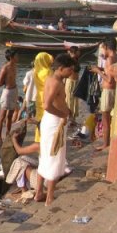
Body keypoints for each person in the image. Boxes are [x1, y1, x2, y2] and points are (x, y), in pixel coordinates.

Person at [36, 53, 75, 205]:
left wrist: (67, 111)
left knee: (45, 156)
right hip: (53, 123)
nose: (71, 72)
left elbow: (59, 101)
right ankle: (49, 197)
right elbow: (47, 105)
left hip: (51, 121)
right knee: (54, 157)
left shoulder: (53, 79)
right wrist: (63, 115)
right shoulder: (56, 82)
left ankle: (39, 193)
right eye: (69, 69)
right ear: (60, 68)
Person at [91, 38, 117, 151]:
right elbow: (111, 71)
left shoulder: (109, 59)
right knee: (111, 118)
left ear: (107, 47)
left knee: (105, 119)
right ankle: (109, 141)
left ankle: (105, 144)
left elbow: (109, 79)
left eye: (103, 48)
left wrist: (98, 72)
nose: (102, 51)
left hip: (108, 91)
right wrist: (101, 69)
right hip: (115, 90)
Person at [0, 49, 19, 143]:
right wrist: (6, 82)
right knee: (2, 116)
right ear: (11, 57)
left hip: (14, 90)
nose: (18, 57)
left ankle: (8, 134)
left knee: (10, 115)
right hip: (7, 92)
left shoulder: (15, 66)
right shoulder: (5, 68)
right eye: (16, 56)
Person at [33, 52, 54, 142]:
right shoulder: (48, 72)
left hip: (39, 96)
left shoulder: (36, 70)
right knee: (47, 119)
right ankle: (46, 139)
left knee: (39, 118)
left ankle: (38, 138)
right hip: (47, 96)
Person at [65, 46, 81, 126]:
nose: (79, 53)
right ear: (74, 52)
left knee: (75, 101)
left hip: (76, 82)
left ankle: (73, 119)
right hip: (70, 82)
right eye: (78, 51)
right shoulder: (69, 60)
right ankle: (68, 118)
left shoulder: (76, 60)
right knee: (69, 100)